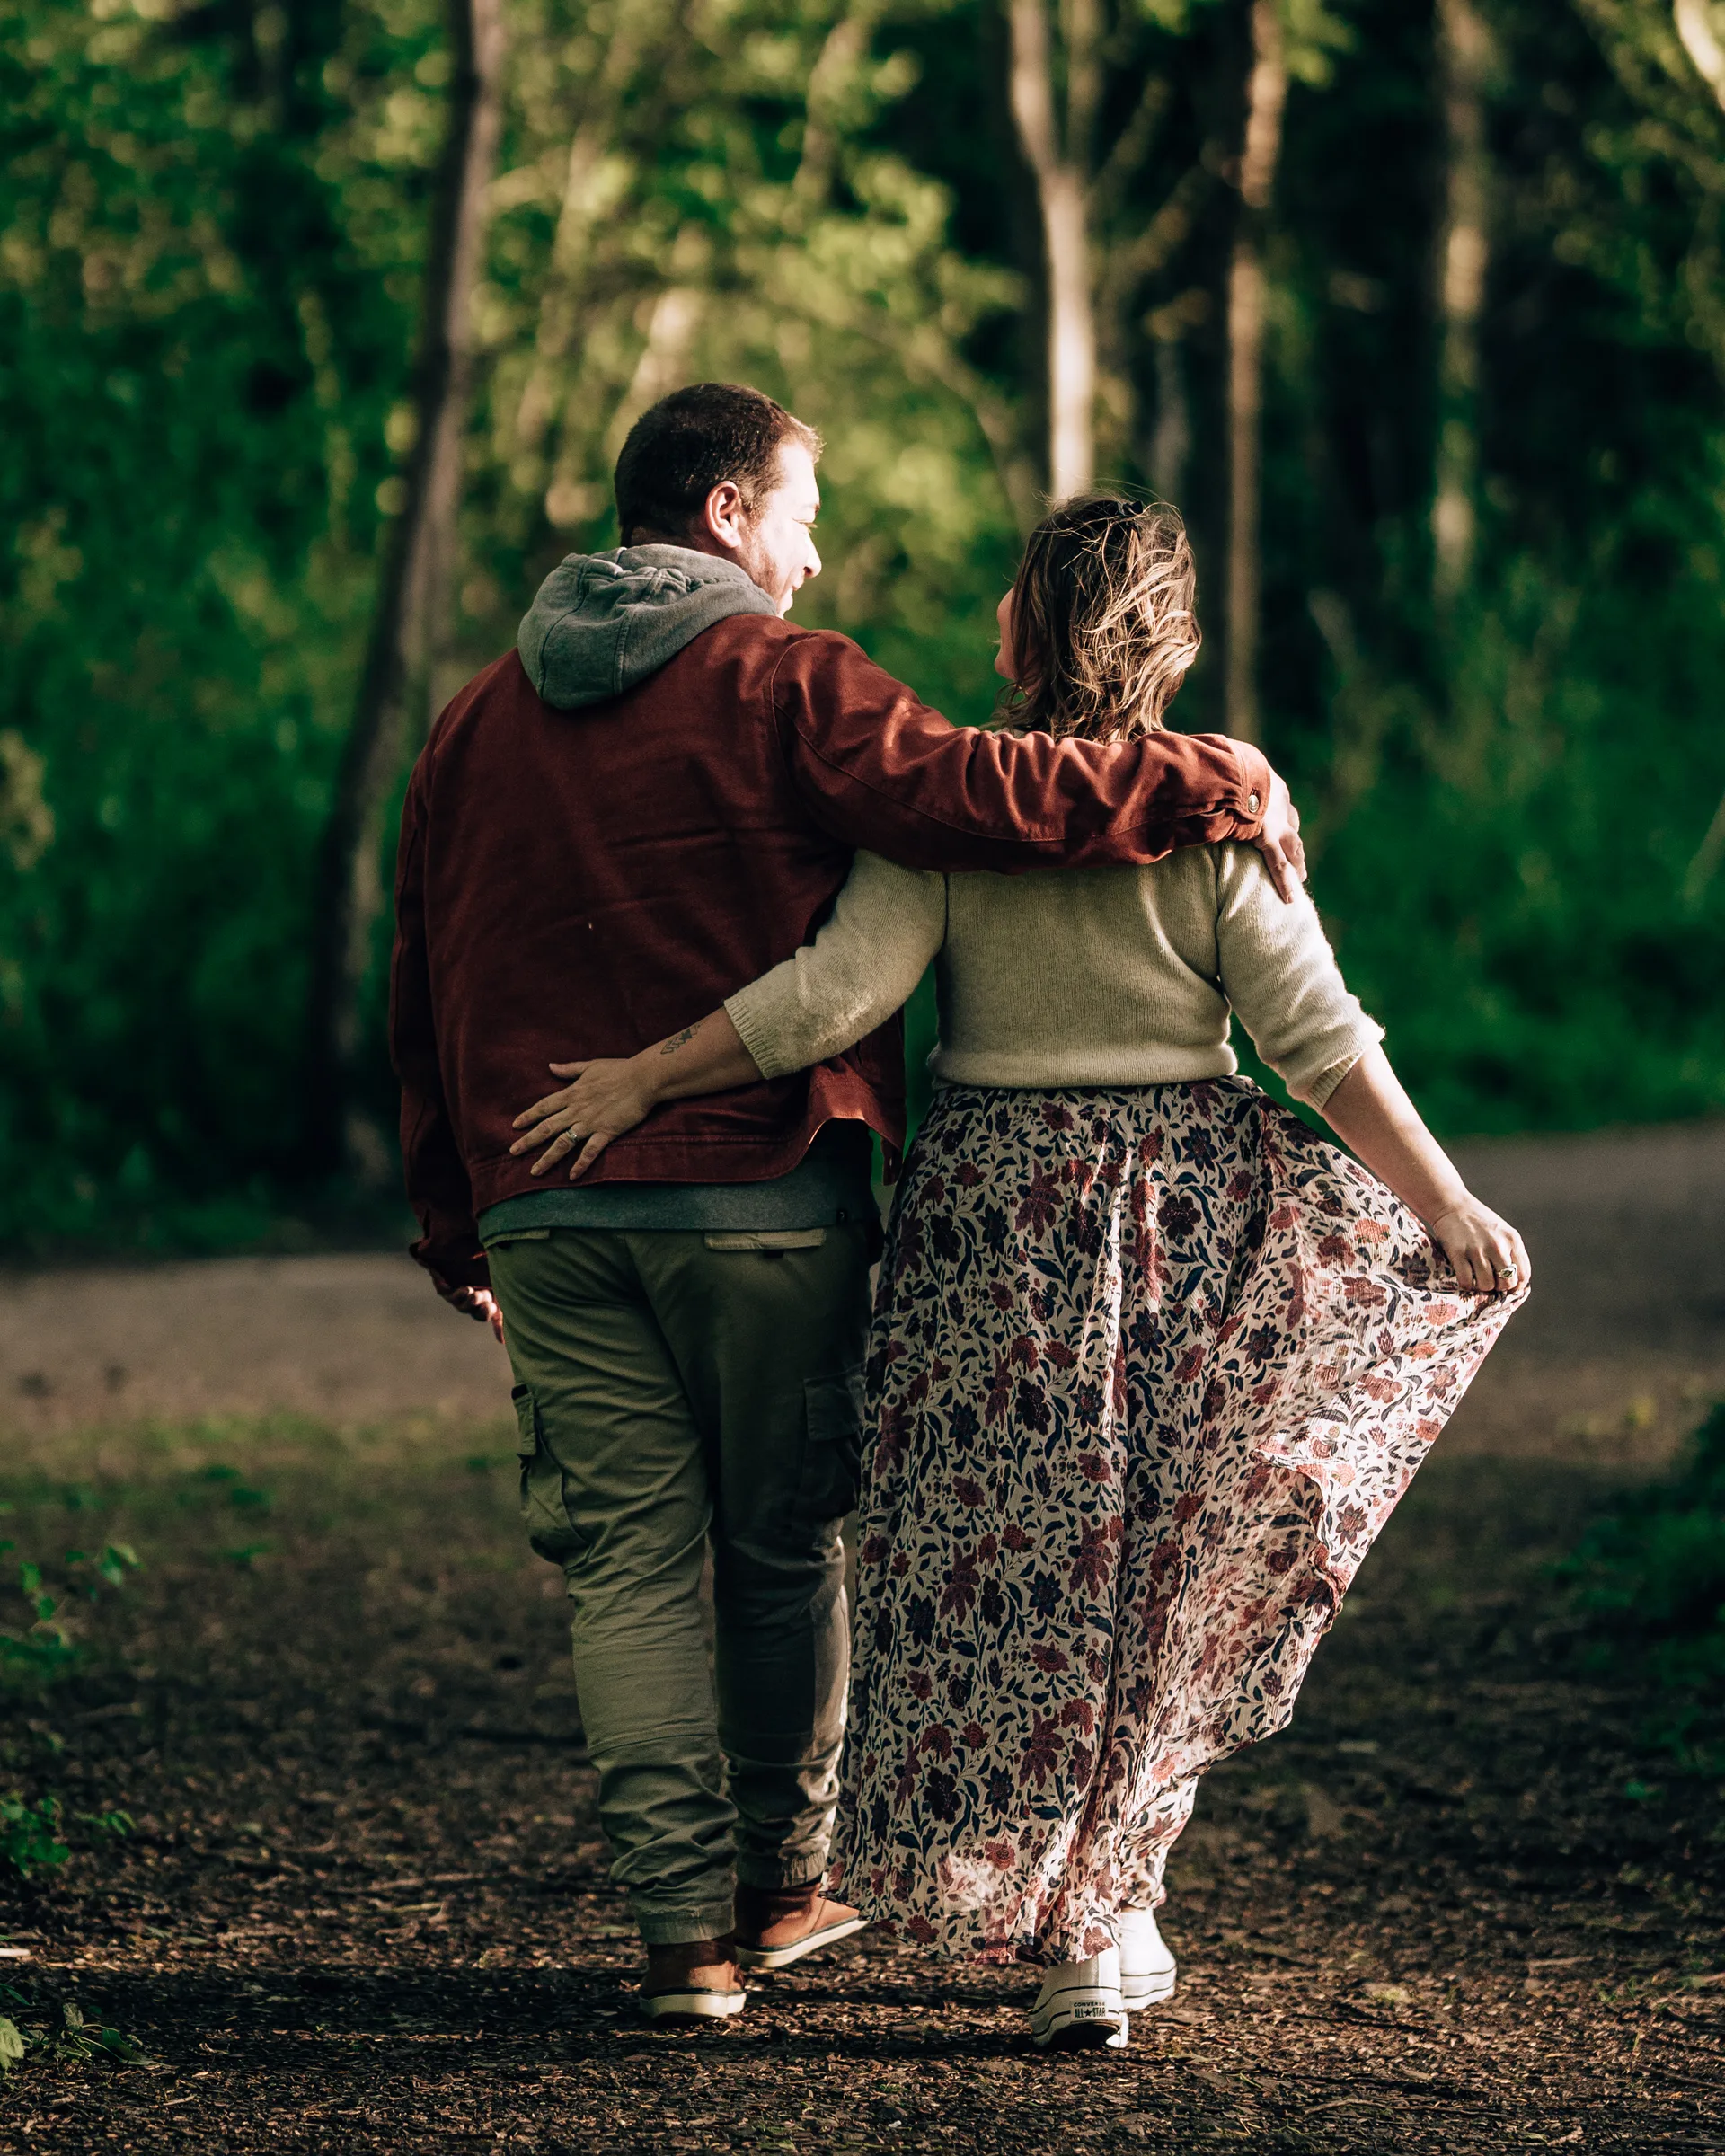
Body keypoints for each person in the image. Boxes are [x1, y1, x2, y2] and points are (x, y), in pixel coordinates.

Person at [507, 493, 1530, 2047]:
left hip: (993, 1227)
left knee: (1015, 1576)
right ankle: (1099, 1928)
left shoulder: (954, 816)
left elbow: (835, 993)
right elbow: (1320, 1045)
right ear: (1170, 635)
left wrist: (650, 1074)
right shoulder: (1215, 820)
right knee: (1152, 1571)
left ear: (1030, 627)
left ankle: (1082, 1913)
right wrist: (1446, 1206)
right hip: (1179, 1225)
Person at [390, 387, 1307, 2025]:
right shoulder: (787, 680)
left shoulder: (469, 723)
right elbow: (989, 795)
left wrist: (458, 1214)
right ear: (728, 512)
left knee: (625, 1569)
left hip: (545, 1195)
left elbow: (425, 976)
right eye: (801, 518)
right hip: (760, 1189)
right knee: (776, 1547)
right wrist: (1209, 776)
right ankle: (780, 1888)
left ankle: (680, 1947)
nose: (811, 559)